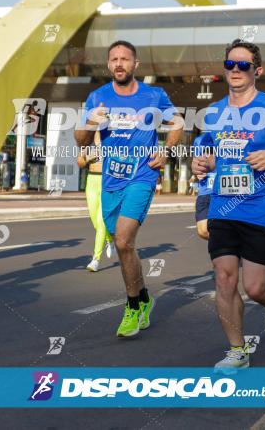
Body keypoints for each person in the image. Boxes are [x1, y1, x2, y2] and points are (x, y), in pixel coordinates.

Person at [192, 40, 265, 371]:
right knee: (224, 278)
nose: (235, 71)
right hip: (222, 208)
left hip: (261, 209)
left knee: (255, 287)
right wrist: (201, 165)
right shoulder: (213, 113)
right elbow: (206, 156)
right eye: (230, 65)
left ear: (257, 70)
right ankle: (237, 350)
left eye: (243, 65)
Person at [74, 40, 182, 338]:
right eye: (113, 59)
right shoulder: (98, 96)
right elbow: (80, 141)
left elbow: (178, 123)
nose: (119, 64)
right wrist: (92, 123)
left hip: (141, 176)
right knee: (123, 246)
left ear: (136, 64)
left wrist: (167, 152)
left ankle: (132, 306)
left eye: (125, 59)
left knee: (122, 241)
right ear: (108, 65)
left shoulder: (154, 95)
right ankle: (145, 298)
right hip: (111, 181)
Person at [78, 132, 113, 272]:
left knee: (101, 222)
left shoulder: (113, 140)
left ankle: (96, 259)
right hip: (91, 181)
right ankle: (110, 239)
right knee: (94, 220)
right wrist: (87, 159)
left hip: (106, 182)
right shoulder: (87, 143)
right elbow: (79, 162)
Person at [192, 132, 216, 242]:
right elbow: (196, 161)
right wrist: (197, 171)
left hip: (224, 191)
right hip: (205, 190)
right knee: (203, 231)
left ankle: (230, 253)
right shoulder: (199, 140)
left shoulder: (230, 137)